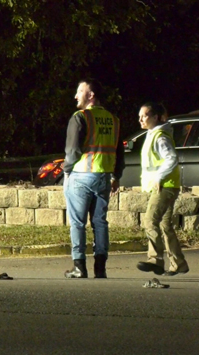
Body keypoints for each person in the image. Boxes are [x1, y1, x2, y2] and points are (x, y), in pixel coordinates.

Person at [62, 79, 124, 278]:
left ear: (91, 95)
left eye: (80, 91)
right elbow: (119, 151)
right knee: (100, 222)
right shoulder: (113, 119)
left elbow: (73, 149)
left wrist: (66, 170)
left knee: (78, 223)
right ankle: (100, 268)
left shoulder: (81, 117)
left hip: (80, 176)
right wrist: (116, 175)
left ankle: (79, 266)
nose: (75, 96)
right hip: (104, 177)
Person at [136, 102, 189, 276]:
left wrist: (159, 177)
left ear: (156, 117)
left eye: (144, 115)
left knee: (150, 220)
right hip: (167, 185)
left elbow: (171, 158)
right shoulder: (154, 134)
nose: (141, 119)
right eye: (140, 116)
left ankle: (155, 259)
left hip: (164, 187)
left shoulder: (160, 136)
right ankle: (178, 263)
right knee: (166, 225)